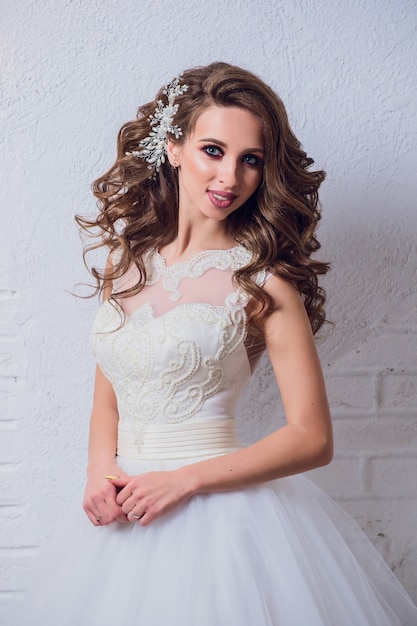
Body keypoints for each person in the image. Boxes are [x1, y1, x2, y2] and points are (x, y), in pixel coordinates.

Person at [5, 62, 417, 625]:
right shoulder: (124, 268)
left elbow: (313, 438)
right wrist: (98, 471)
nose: (231, 177)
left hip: (219, 518)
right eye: (213, 150)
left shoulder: (264, 284)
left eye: (251, 159)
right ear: (173, 147)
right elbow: (110, 395)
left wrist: (184, 480)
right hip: (123, 513)